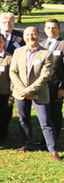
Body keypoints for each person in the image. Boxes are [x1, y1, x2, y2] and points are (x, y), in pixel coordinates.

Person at [10, 26, 59, 161]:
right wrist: (23, 90)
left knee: (45, 122)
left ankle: (53, 150)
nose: (30, 37)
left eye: (33, 34)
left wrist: (30, 90)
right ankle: (27, 143)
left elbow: (45, 75)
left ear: (38, 35)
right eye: (27, 34)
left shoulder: (46, 53)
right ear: (24, 36)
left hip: (39, 93)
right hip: (20, 93)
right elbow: (12, 72)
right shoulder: (18, 52)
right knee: (23, 119)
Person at [42, 19, 64, 141]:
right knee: (45, 114)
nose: (51, 30)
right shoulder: (42, 44)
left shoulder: (63, 44)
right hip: (43, 86)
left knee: (55, 113)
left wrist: (63, 88)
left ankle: (55, 138)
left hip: (56, 87)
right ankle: (46, 138)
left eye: (54, 27)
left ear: (59, 30)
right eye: (48, 27)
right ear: (44, 30)